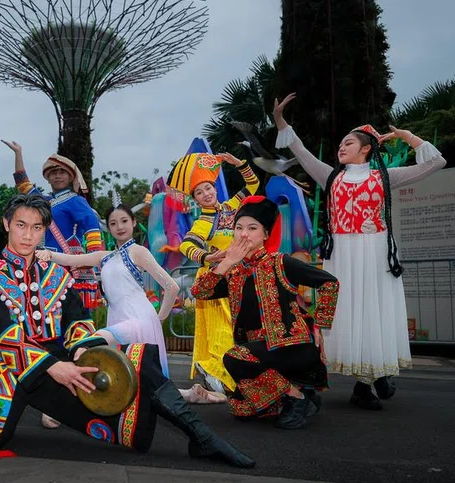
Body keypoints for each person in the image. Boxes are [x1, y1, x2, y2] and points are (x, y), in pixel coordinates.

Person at [0, 194, 254, 469]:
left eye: (37, 227)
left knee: (139, 363)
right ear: (6, 225)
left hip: (63, 362)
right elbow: (6, 337)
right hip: (14, 369)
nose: (28, 235)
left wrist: (80, 350)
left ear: (44, 230)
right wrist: (55, 367)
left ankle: (202, 437)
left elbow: (77, 321)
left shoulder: (58, 275)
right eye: (21, 226)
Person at [272, 93, 446, 409]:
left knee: (373, 311)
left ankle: (367, 382)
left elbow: (436, 163)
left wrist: (408, 137)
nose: (341, 147)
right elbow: (301, 151)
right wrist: (280, 121)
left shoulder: (384, 177)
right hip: (343, 254)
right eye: (341, 143)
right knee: (346, 312)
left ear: (366, 149)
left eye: (348, 143)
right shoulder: (331, 176)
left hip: (376, 252)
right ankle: (366, 379)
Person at [37, 195, 225, 404]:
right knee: (139, 385)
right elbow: (71, 259)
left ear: (134, 223)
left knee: (91, 342)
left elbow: (171, 286)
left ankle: (61, 403)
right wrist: (48, 254)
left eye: (124, 221)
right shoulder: (105, 257)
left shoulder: (138, 252)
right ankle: (190, 395)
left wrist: (159, 319)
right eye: (113, 223)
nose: (119, 227)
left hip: (138, 319)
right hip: (117, 318)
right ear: (108, 228)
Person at [192, 197, 339, 429]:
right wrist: (226, 263)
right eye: (238, 228)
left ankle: (296, 397)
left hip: (291, 347)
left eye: (252, 228)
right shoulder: (233, 271)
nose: (244, 234)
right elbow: (199, 292)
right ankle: (299, 395)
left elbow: (329, 283)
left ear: (265, 234)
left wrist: (320, 323)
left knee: (233, 357)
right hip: (257, 353)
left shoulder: (280, 262)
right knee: (240, 409)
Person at [166, 152, 259, 394]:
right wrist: (207, 257)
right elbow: (186, 245)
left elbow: (253, 184)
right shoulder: (202, 223)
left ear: (215, 188)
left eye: (208, 188)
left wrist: (240, 163)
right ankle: (219, 372)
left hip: (239, 278)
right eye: (199, 192)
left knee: (239, 329)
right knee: (221, 330)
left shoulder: (232, 207)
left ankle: (229, 373)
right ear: (195, 199)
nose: (206, 194)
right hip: (216, 281)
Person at [2, 141, 105, 312]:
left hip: (69, 264)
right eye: (53, 173)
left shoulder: (76, 200)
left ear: (71, 177)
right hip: (44, 261)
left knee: (72, 312)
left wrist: (93, 260)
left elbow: (92, 228)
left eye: (62, 172)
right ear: (47, 178)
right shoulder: (43, 201)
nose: (58, 176)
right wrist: (18, 153)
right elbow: (23, 185)